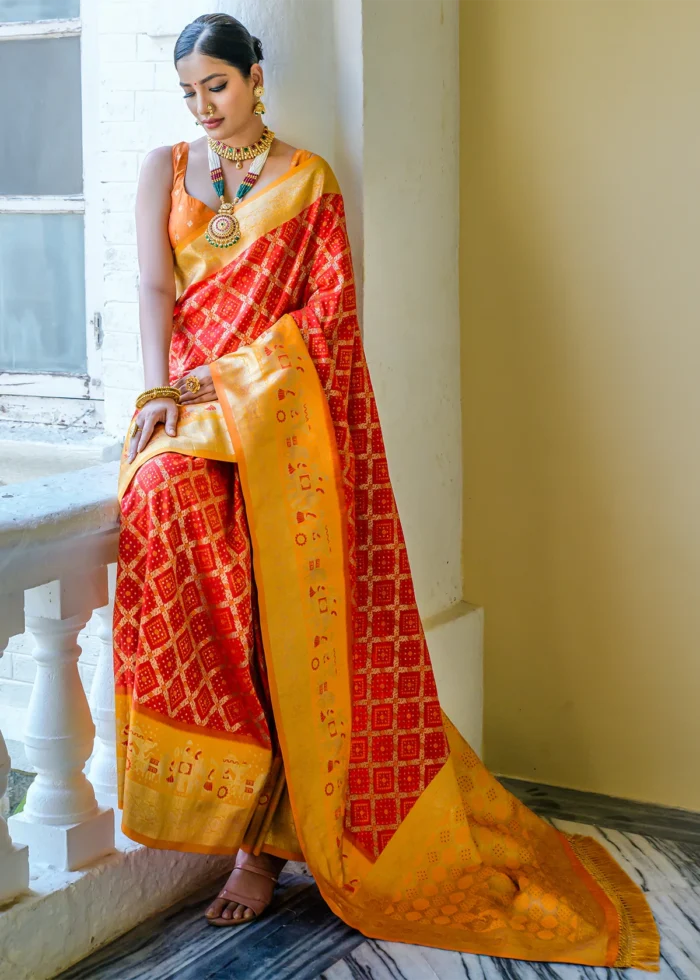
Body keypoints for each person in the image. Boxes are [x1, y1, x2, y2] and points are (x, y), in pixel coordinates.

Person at [113, 12, 659, 968]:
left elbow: (328, 326)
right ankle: (225, 804)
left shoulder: (308, 179)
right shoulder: (164, 170)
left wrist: (232, 385)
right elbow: (158, 296)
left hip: (275, 423)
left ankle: (259, 851)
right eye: (190, 93)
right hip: (192, 407)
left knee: (272, 616)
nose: (204, 108)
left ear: (256, 77)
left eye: (219, 87)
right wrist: (162, 393)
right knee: (159, 501)